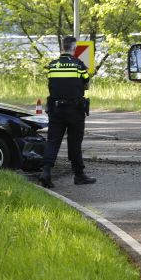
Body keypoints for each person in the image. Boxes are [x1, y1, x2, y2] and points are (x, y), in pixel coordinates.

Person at [39, 36, 97, 188]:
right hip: (74, 110)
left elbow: (51, 85)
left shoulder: (52, 66)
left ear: (62, 47)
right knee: (74, 142)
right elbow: (86, 84)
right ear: (74, 48)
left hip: (56, 110)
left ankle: (45, 172)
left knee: (53, 141)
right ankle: (79, 175)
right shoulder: (78, 66)